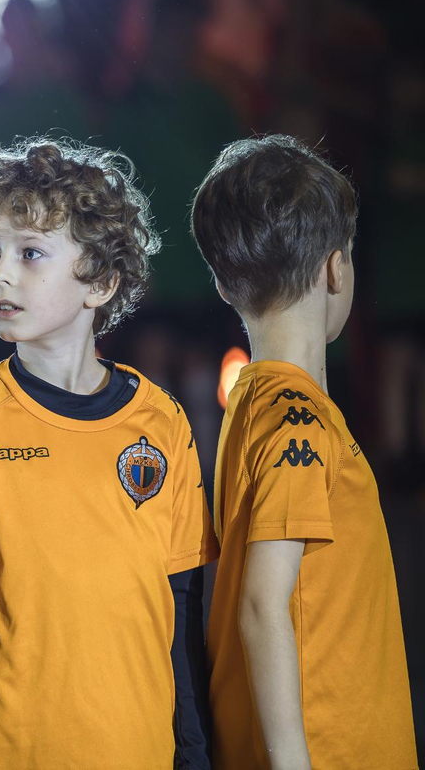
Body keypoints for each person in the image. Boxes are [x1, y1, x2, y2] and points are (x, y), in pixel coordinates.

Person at [0, 140, 218, 769]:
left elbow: (182, 608)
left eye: (29, 253)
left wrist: (194, 753)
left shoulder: (160, 420)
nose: (0, 273)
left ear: (100, 282)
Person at [192, 136, 417, 769]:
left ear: (224, 284)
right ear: (336, 269)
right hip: (332, 750)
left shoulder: (251, 402)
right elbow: (263, 604)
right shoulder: (300, 423)